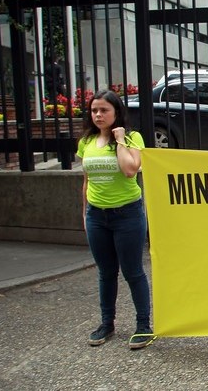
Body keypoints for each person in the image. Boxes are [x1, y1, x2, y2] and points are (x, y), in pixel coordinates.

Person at [77, 89, 154, 350]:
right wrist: (85, 213)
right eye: (94, 110)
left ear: (116, 112)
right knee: (106, 272)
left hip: (127, 214)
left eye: (104, 110)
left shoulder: (132, 138)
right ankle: (106, 323)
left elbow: (130, 170)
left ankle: (143, 325)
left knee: (133, 271)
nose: (98, 115)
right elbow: (86, 181)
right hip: (97, 216)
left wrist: (119, 139)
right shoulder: (86, 142)